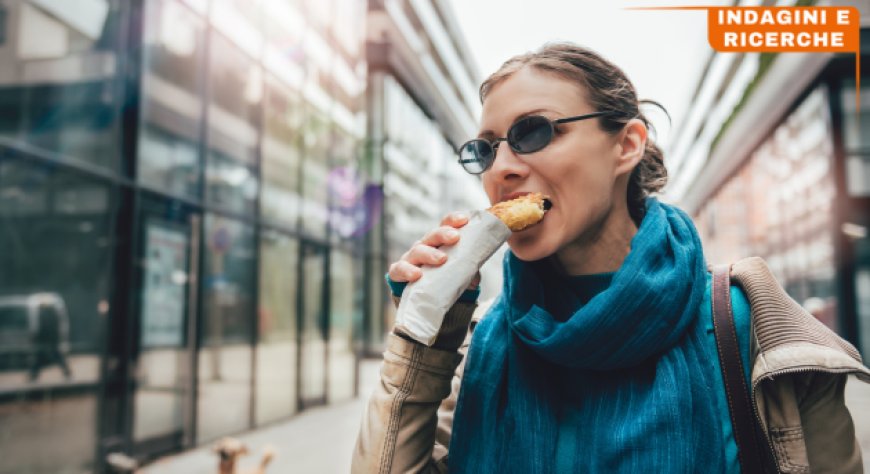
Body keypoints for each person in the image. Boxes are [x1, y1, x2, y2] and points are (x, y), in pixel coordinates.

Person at [352, 43, 868, 473]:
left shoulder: (753, 330)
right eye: (485, 150)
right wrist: (422, 340)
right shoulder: (481, 342)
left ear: (627, 145)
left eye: (534, 132)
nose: (502, 169)